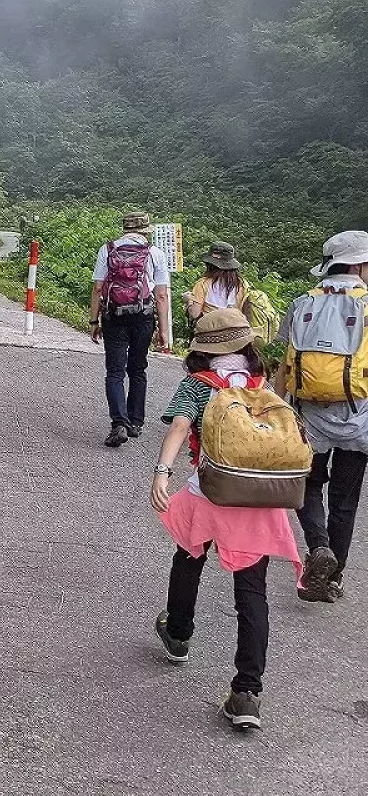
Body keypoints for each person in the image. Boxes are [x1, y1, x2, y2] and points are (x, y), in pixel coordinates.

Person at [150, 308, 302, 731]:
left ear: (202, 349)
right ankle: (247, 694)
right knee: (251, 593)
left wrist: (161, 472)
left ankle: (178, 633)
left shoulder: (198, 386)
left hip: (210, 493)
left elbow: (179, 428)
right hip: (259, 500)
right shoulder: (261, 385)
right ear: (247, 345)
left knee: (189, 557)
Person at [273, 230, 368, 603]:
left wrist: (268, 409)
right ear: (360, 265)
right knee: (345, 500)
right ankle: (332, 578)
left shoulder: (302, 304)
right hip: (359, 417)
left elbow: (286, 363)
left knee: (309, 487)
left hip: (309, 416)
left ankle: (319, 546)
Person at [89, 211, 173, 447]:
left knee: (115, 372)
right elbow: (162, 295)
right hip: (143, 318)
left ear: (125, 229)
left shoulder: (108, 249)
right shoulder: (154, 253)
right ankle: (135, 423)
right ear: (146, 231)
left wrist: (94, 321)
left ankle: (119, 424)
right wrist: (164, 331)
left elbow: (97, 288)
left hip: (114, 316)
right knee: (138, 369)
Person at [185, 242, 249, 324]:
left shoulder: (203, 284)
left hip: (211, 332)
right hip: (238, 330)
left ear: (210, 264)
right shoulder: (242, 284)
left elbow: (194, 314)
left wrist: (189, 301)